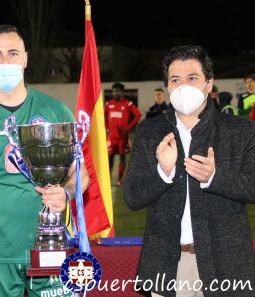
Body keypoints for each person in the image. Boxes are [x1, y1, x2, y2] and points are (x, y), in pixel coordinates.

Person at [0, 24, 89, 297]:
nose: (5, 61)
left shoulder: (55, 110)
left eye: (12, 53)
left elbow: (79, 175)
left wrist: (66, 192)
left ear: (25, 58)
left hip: (51, 249)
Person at [123, 45, 255, 297]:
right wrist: (162, 173)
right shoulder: (150, 132)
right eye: (175, 80)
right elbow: (132, 197)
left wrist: (216, 177)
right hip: (167, 264)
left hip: (226, 265)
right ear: (167, 87)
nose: (183, 86)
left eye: (192, 78)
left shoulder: (241, 131)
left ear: (209, 83)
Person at [104, 82, 141, 186]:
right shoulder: (108, 104)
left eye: (117, 91)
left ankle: (120, 180)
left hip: (122, 137)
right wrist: (106, 127)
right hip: (111, 137)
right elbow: (103, 116)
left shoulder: (127, 104)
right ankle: (108, 179)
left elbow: (138, 114)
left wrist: (128, 128)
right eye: (113, 91)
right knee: (109, 158)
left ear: (122, 92)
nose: (115, 93)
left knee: (122, 158)